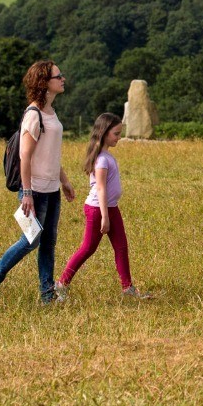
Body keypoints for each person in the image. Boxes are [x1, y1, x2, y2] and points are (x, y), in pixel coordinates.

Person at [0, 61, 76, 305]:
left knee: (48, 242)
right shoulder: (34, 114)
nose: (63, 79)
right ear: (44, 82)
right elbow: (25, 156)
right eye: (58, 76)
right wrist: (27, 193)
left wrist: (64, 182)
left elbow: (50, 154)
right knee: (31, 240)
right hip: (35, 190)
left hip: (51, 189)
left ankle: (47, 294)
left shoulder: (51, 112)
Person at [54, 113, 152, 300]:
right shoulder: (102, 160)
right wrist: (105, 217)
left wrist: (109, 212)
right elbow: (101, 188)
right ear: (104, 133)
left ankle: (128, 288)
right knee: (88, 248)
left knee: (121, 247)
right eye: (116, 133)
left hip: (111, 207)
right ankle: (61, 283)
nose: (119, 137)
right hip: (98, 210)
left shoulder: (107, 156)